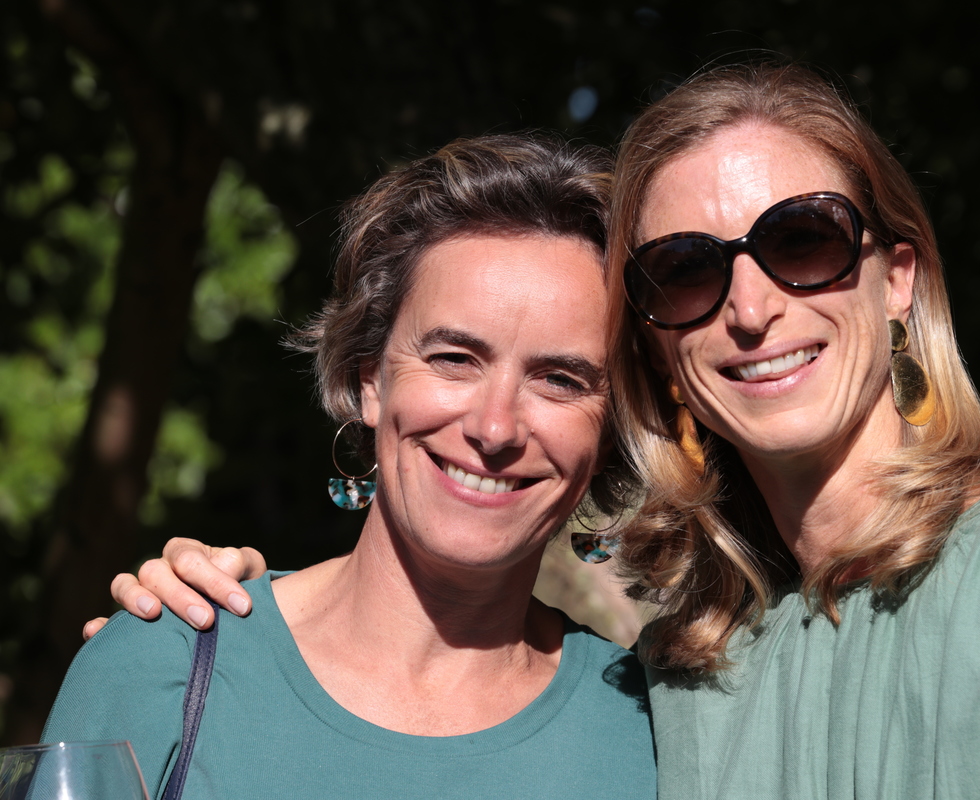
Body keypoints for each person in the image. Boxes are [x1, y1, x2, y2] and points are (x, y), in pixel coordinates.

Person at [96, 64, 980, 798]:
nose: (752, 306)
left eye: (804, 241)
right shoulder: (692, 683)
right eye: (686, 271)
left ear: (897, 274)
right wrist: (176, 648)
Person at [42, 133, 656, 800]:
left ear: (612, 428)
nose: (495, 427)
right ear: (370, 380)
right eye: (453, 359)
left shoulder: (650, 734)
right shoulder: (164, 670)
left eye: (561, 379)